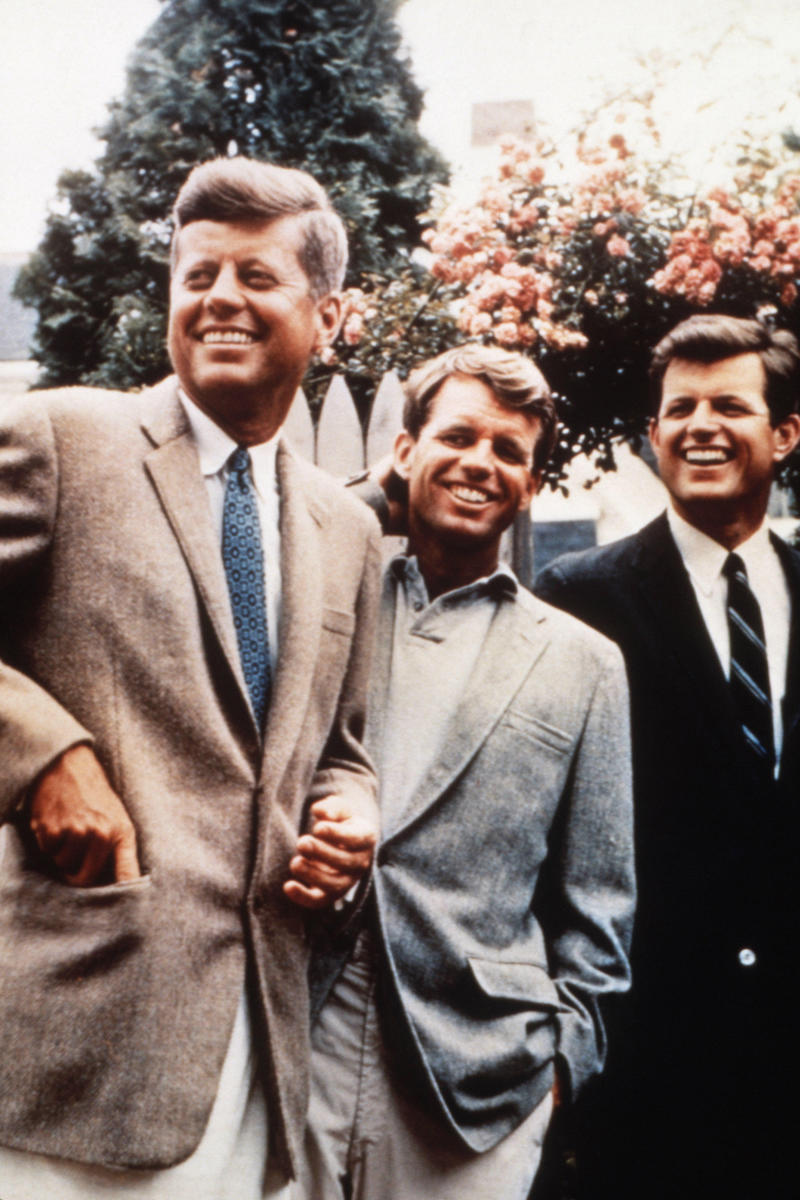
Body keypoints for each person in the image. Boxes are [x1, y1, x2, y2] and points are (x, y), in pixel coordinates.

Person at [0, 156, 382, 1199]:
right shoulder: (64, 438)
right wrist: (44, 758)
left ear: (327, 313)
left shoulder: (346, 528)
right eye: (197, 274)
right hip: (71, 1044)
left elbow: (341, 747)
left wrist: (351, 818)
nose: (218, 298)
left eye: (255, 277)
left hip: (260, 1049)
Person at [298, 344, 635, 1200]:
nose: (480, 463)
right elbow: (293, 527)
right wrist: (377, 492)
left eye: (508, 452)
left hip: (478, 1081)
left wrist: (562, 1067)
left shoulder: (583, 662)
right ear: (404, 453)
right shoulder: (323, 599)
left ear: (528, 485)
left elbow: (600, 902)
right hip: (298, 1034)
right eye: (457, 437)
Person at [535, 313, 800, 1200]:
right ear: (653, 435)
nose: (700, 427)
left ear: (786, 433)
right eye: (679, 408)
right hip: (653, 1055)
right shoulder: (580, 596)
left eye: (731, 405)